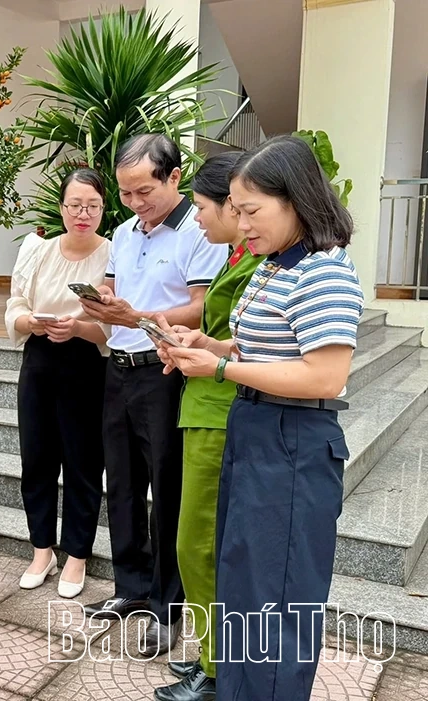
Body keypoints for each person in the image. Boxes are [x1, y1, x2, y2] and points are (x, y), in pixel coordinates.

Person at [159, 135, 363, 701]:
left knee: (275, 596)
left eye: (251, 211)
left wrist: (221, 372)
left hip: (292, 439)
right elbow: (268, 351)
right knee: (244, 586)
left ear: (294, 200)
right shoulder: (276, 267)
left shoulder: (324, 271)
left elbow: (324, 376)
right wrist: (213, 346)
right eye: (237, 210)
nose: (241, 223)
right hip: (257, 431)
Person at [79, 134, 228, 655]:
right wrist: (103, 303)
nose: (136, 203)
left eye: (144, 191)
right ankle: (131, 588)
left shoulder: (200, 229)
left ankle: (168, 605)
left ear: (173, 176)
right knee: (119, 483)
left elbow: (202, 310)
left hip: (165, 371)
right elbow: (117, 294)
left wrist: (137, 317)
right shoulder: (123, 232)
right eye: (125, 193)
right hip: (117, 368)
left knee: (166, 488)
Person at [151, 153, 265, 701]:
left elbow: (247, 348)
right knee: (194, 542)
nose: (196, 219)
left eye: (201, 207)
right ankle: (209, 654)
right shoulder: (235, 258)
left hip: (220, 412)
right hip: (203, 404)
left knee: (198, 544)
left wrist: (203, 349)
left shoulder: (253, 265)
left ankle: (219, 669)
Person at [5, 168, 111, 599]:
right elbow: (15, 303)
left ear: (104, 208)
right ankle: (41, 548)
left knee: (84, 464)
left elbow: (120, 321)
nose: (82, 214)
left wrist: (81, 328)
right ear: (62, 207)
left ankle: (78, 554)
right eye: (74, 205)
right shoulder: (39, 250)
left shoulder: (114, 253)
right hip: (40, 360)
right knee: (37, 459)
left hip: (87, 363)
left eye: (92, 206)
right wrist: (29, 321)